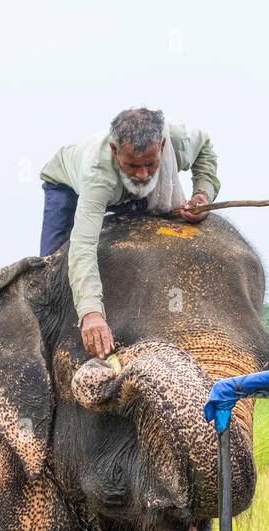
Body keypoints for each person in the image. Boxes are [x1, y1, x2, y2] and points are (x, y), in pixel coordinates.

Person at [38, 108, 220, 360]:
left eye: (150, 164)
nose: (143, 173)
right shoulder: (96, 174)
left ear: (163, 146)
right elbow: (83, 247)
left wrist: (203, 194)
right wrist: (92, 313)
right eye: (133, 165)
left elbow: (205, 149)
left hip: (136, 196)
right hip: (67, 187)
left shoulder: (178, 140)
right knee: (53, 272)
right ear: (115, 150)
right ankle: (49, 352)